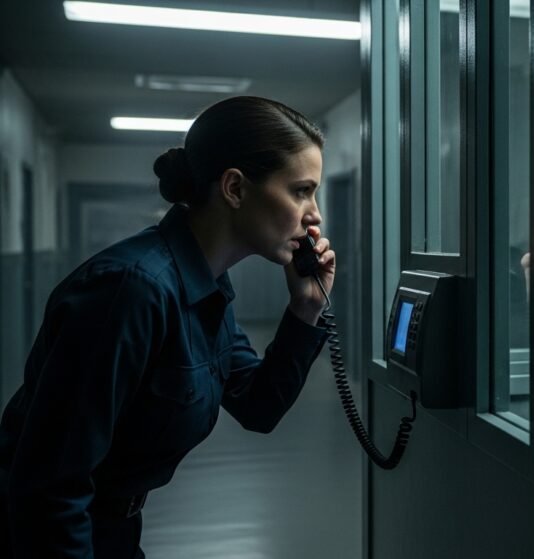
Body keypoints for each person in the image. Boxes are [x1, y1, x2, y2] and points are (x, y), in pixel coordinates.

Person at [0, 96, 335, 558]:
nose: (314, 214)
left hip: (113, 529)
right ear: (235, 188)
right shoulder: (131, 290)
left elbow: (259, 407)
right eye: (301, 191)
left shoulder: (205, 287)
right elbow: (50, 490)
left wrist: (306, 307)